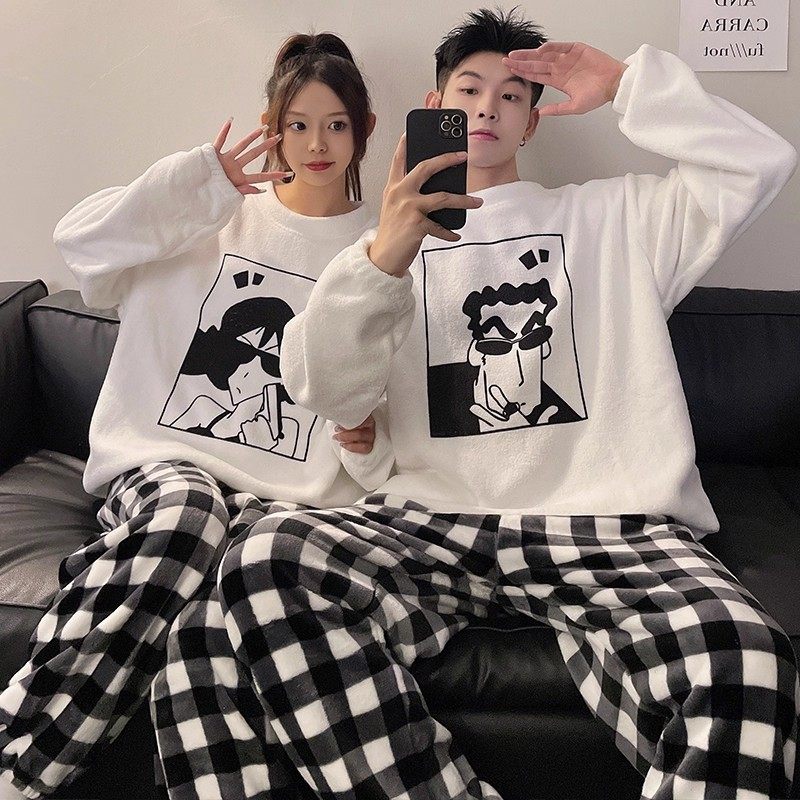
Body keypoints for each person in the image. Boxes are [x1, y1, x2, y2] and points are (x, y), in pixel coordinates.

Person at [214, 8, 799, 800]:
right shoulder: (383, 249)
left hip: (604, 525)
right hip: (434, 525)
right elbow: (324, 393)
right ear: (434, 107)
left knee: (749, 659)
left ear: (532, 122)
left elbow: (760, 162)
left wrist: (628, 84)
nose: (489, 106)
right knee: (264, 559)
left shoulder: (616, 217)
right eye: (469, 90)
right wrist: (387, 252)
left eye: (513, 94)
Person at [0, 32, 392, 799]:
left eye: (336, 124)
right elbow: (81, 247)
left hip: (288, 503)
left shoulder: (378, 252)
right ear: (271, 127)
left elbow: (380, 402)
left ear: (364, 130)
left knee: (211, 624)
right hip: (165, 472)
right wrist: (194, 185)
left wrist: (366, 435)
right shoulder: (209, 215)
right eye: (298, 124)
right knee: (189, 511)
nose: (317, 144)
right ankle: (18, 761)